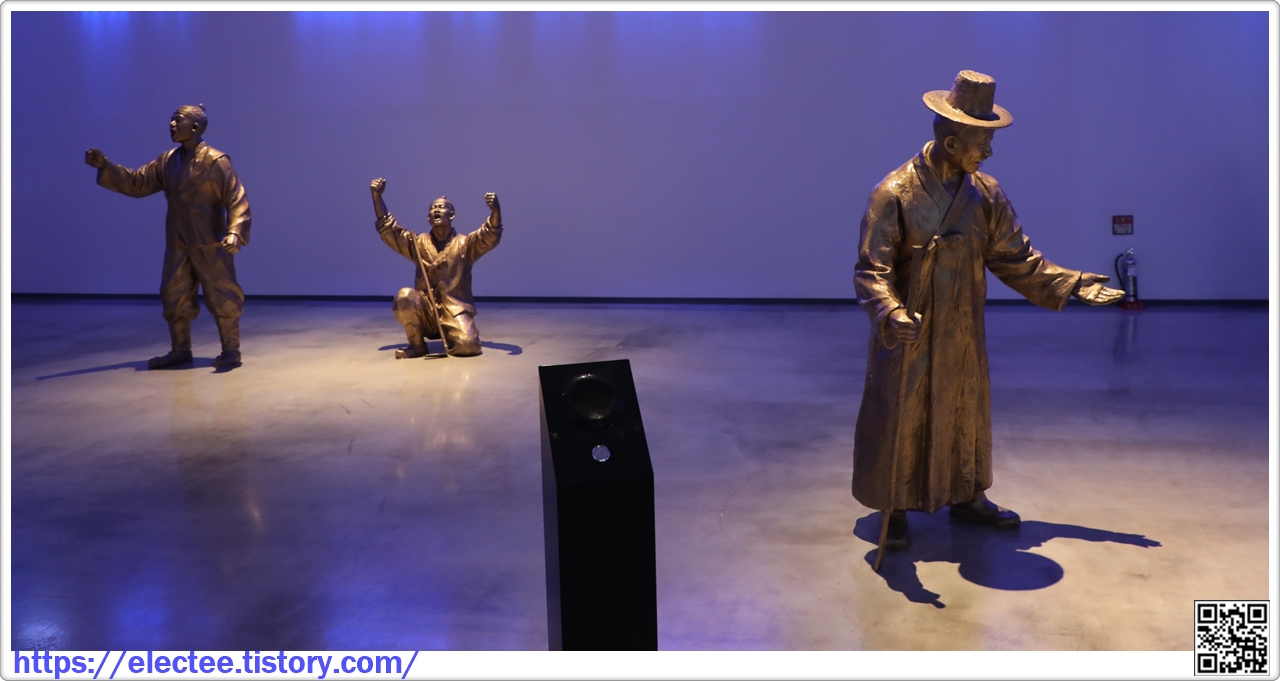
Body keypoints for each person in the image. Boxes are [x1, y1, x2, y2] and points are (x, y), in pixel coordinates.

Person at [852, 71, 1122, 551]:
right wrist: (891, 313)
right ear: (952, 142)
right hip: (912, 329)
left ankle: (967, 493)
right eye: (983, 142)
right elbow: (872, 270)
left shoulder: (986, 194)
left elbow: (1017, 258)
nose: (989, 152)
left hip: (962, 328)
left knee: (966, 407)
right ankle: (894, 504)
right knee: (903, 412)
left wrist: (1073, 283)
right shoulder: (894, 193)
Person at [85, 104, 251, 370]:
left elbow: (237, 198)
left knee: (222, 294)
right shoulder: (168, 161)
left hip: (210, 242)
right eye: (171, 121)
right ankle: (180, 350)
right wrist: (106, 166)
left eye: (178, 120)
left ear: (194, 127)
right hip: (178, 241)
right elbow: (137, 183)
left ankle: (231, 351)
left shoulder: (216, 161)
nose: (172, 125)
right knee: (174, 294)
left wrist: (234, 232)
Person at [369, 178, 502, 358]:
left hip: (453, 310)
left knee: (469, 347)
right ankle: (417, 345)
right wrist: (377, 198)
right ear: (428, 218)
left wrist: (496, 211)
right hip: (426, 309)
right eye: (433, 208)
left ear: (452, 215)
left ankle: (457, 335)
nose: (436, 210)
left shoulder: (465, 244)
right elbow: (389, 229)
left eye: (441, 207)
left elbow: (489, 235)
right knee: (404, 295)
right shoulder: (418, 243)